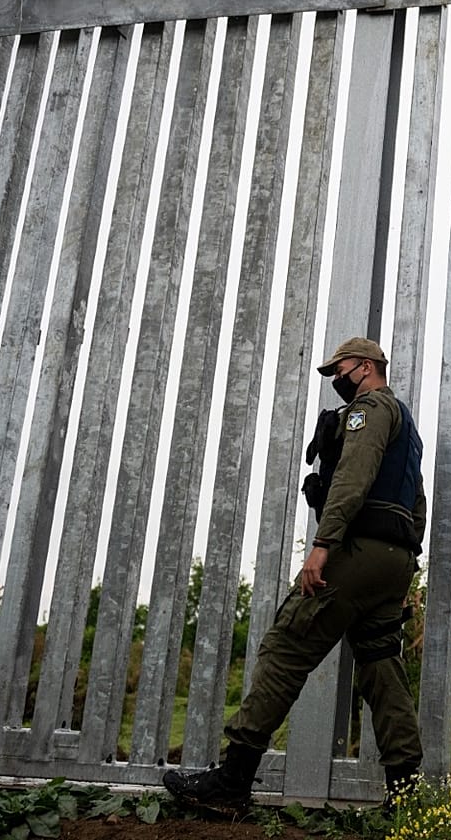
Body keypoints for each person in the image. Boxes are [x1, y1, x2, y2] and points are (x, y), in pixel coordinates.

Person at [164, 337, 426, 813]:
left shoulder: (369, 410)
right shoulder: (407, 424)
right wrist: (405, 558)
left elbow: (353, 476)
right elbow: (418, 502)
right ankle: (406, 797)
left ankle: (233, 780)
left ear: (365, 367)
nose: (335, 380)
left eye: (339, 370)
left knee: (286, 646)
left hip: (357, 550)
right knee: (381, 666)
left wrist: (322, 547)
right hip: (394, 557)